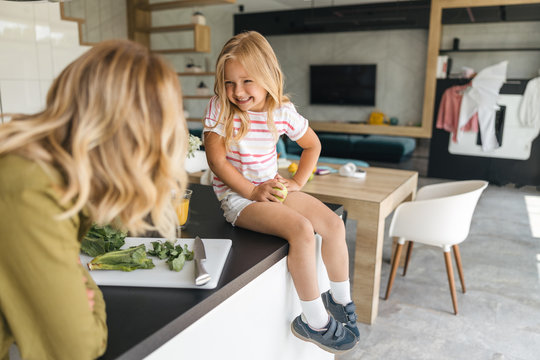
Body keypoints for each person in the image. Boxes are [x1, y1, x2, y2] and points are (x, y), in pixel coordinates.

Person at [0, 39, 188, 360]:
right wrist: (90, 298)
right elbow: (78, 347)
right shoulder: (33, 190)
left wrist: (79, 286)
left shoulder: (38, 172)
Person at [203, 31, 359, 354]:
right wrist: (252, 190)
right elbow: (217, 162)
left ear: (267, 76)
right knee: (301, 230)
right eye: (230, 83)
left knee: (333, 225)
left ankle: (340, 300)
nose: (237, 91)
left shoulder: (281, 111)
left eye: (247, 81)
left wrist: (297, 183)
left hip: (271, 189)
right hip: (239, 199)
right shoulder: (220, 109)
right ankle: (313, 321)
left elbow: (313, 145)